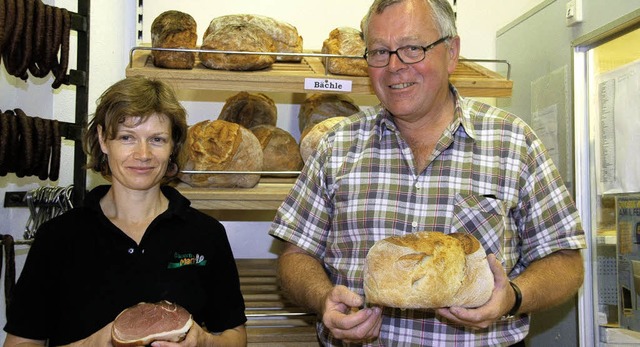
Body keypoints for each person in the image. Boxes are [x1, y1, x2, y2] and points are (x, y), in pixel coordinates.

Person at [269, 0, 586, 345]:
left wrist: (513, 296)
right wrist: (322, 299)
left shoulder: (513, 142)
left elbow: (565, 260)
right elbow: (295, 256)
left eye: (411, 48)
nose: (394, 66)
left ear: (451, 52)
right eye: (379, 52)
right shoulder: (336, 146)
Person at [3, 77, 247, 347]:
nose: (143, 154)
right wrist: (95, 343)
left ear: (172, 146)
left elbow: (235, 336)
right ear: (103, 141)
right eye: (127, 137)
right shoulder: (59, 237)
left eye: (157, 139)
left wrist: (204, 342)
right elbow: (19, 343)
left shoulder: (206, 234)